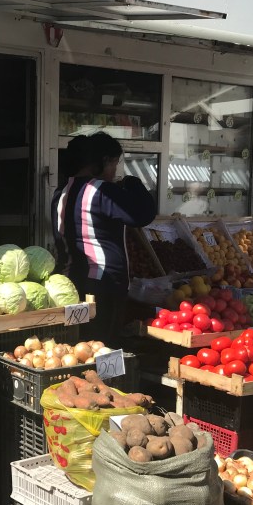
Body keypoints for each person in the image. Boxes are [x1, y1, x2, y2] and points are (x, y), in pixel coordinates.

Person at [51, 132, 156, 346]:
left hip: (69, 283)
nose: (115, 172)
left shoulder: (61, 192)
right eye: (115, 165)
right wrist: (132, 182)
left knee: (77, 343)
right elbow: (143, 214)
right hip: (104, 284)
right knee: (103, 344)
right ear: (104, 161)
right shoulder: (100, 191)